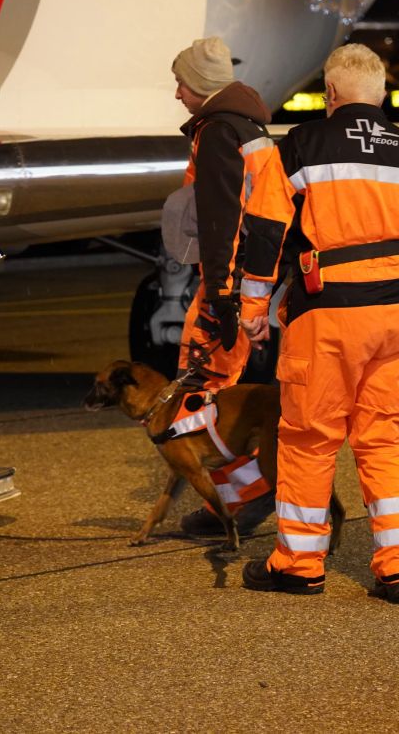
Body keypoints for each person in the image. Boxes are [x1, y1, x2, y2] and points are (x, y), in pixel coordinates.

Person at [240, 43, 399, 603]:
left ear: (330, 95)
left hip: (332, 311)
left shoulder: (299, 146)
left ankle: (299, 564)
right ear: (382, 93)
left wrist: (252, 311)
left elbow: (266, 232)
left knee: (311, 438)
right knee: (386, 435)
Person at [169, 36, 290, 535]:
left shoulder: (219, 132)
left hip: (231, 282)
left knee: (198, 396)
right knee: (218, 393)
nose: (176, 93)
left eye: (180, 82)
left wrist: (222, 296)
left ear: (199, 86)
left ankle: (245, 497)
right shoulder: (247, 128)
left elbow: (221, 220)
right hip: (252, 279)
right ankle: (246, 492)